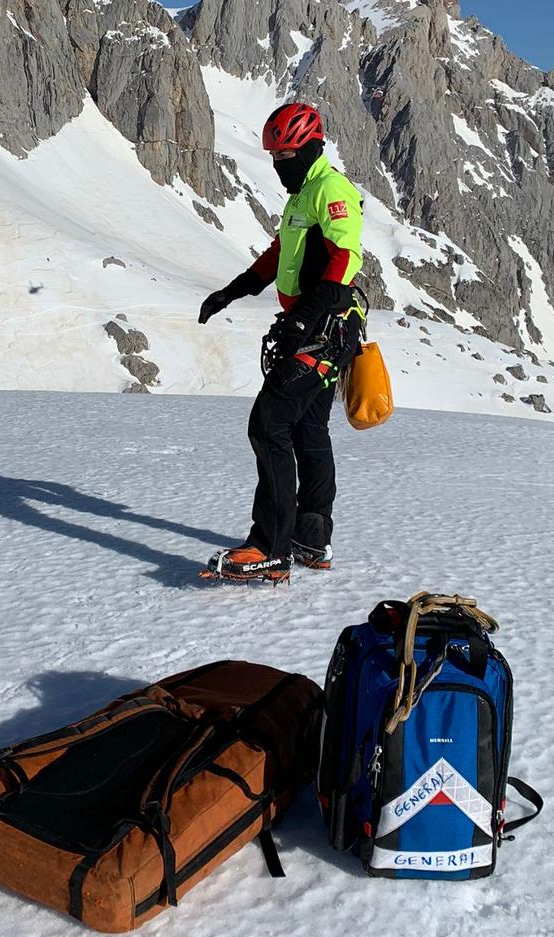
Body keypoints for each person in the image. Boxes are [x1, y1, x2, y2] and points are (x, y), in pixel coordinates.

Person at [198, 103, 365, 581]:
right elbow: (279, 255)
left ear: (310, 147)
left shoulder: (331, 190)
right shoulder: (302, 193)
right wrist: (231, 292)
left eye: (285, 155)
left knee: (268, 423)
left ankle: (270, 546)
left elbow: (345, 261)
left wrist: (302, 323)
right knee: (308, 431)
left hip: (323, 330)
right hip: (315, 327)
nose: (278, 164)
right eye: (273, 156)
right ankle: (311, 540)